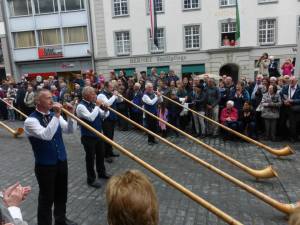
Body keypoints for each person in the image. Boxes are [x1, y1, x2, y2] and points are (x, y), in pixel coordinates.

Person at [24, 89, 77, 225]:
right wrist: (58, 115)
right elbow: (46, 135)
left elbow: (70, 130)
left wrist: (71, 115)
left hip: (61, 160)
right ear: (38, 101)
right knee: (46, 198)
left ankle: (60, 219)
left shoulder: (54, 115)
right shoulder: (30, 120)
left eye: (51, 97)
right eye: (47, 98)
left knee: (61, 194)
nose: (51, 100)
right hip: (45, 165)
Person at [76, 87, 111, 189]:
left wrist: (105, 110)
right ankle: (91, 179)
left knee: (101, 155)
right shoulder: (80, 106)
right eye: (93, 94)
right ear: (86, 95)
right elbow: (91, 118)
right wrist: (97, 106)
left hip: (98, 134)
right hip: (88, 137)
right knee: (90, 158)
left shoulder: (92, 104)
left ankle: (102, 173)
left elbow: (102, 116)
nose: (95, 96)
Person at [97, 81, 121, 163]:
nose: (112, 89)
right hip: (106, 118)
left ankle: (110, 152)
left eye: (112, 87)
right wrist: (114, 96)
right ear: (106, 87)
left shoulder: (111, 94)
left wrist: (119, 96)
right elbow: (107, 104)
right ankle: (106, 155)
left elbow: (120, 101)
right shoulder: (101, 95)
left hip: (112, 117)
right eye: (111, 87)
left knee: (111, 136)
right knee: (107, 137)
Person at [280, 76, 300, 142]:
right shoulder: (285, 87)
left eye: (292, 81)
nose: (290, 82)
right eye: (290, 81)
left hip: (293, 108)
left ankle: (292, 137)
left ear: (296, 81)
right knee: (282, 122)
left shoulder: (299, 89)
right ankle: (283, 136)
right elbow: (281, 95)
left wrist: (292, 101)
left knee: (292, 124)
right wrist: (284, 101)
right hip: (285, 107)